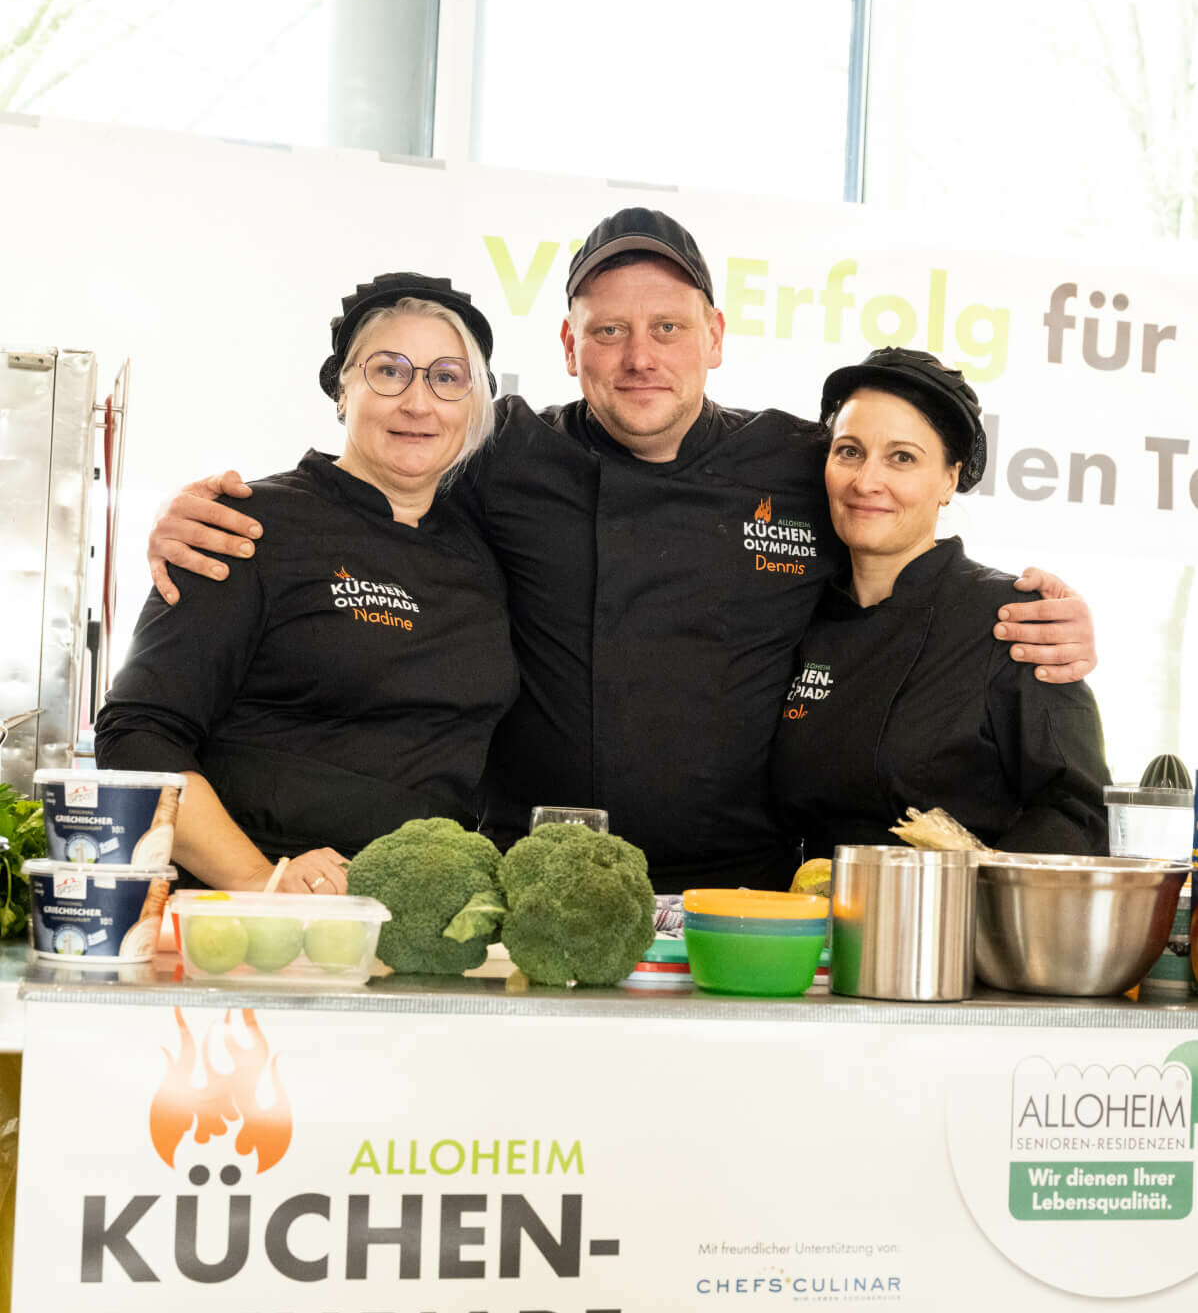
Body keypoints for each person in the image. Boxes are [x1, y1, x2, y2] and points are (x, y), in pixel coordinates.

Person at [143, 210, 1098, 891]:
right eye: (609, 332)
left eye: (667, 328)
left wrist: (1036, 615)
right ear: (568, 345)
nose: (640, 356)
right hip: (530, 881)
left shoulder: (799, 462)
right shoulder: (506, 453)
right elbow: (382, 480)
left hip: (745, 891)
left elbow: (894, 506)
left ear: (714, 337)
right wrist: (198, 510)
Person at [95, 274, 519, 893]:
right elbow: (136, 739)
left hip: (421, 914)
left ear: (476, 404)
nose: (418, 402)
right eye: (389, 371)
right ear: (341, 389)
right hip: (251, 922)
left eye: (447, 377)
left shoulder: (488, 552)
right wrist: (262, 882)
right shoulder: (245, 522)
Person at [772, 348, 1109, 857]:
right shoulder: (796, 612)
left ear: (949, 479)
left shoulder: (1014, 620)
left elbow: (1078, 809)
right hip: (812, 924)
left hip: (957, 927)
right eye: (849, 451)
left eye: (902, 457)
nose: (866, 481)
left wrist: (984, 901)